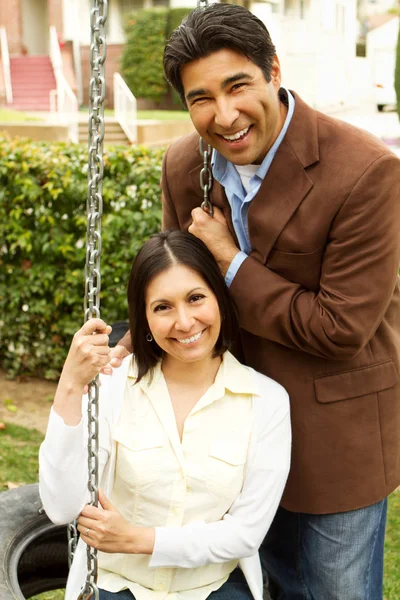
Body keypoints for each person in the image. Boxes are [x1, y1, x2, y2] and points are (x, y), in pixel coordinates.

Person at [112, 4, 400, 599]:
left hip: (332, 443)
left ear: (273, 70)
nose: (224, 115)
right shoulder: (183, 164)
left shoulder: (367, 173)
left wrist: (230, 261)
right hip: (223, 446)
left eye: (238, 85)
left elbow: (340, 328)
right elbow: (179, 292)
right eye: (200, 98)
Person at [39, 230, 291, 600]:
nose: (185, 322)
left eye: (195, 298)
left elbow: (245, 533)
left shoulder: (266, 401)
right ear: (143, 317)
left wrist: (139, 539)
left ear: (219, 298)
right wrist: (71, 385)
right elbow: (62, 507)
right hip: (115, 585)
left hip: (211, 588)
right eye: (163, 307)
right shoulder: (113, 386)